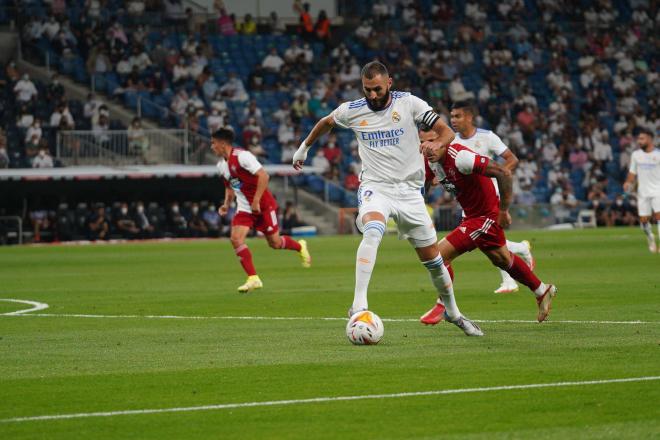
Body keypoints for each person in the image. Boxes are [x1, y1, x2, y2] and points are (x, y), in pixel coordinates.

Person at [293, 61, 482, 336]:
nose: (372, 95)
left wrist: (437, 145)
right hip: (376, 187)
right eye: (367, 89)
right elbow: (326, 123)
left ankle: (453, 312)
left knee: (434, 261)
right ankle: (358, 304)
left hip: (409, 193)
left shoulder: (409, 104)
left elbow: (447, 133)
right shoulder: (352, 110)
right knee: (372, 231)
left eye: (377, 89)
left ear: (389, 83)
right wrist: (303, 149)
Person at [418, 126, 557, 325]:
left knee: (437, 256)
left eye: (431, 142)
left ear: (443, 140)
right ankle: (542, 290)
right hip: (472, 215)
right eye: (422, 143)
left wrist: (503, 210)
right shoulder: (429, 158)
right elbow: (424, 184)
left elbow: (503, 173)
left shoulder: (461, 157)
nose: (426, 148)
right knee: (501, 258)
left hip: (485, 215)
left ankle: (445, 306)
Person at [450, 100, 535, 294]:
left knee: (487, 238)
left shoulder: (487, 137)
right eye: (452, 116)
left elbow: (512, 159)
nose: (453, 120)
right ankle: (521, 249)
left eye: (458, 116)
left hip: (491, 195)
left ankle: (509, 281)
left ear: (470, 117)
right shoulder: (452, 141)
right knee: (485, 239)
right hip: (469, 198)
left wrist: (498, 173)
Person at [212, 128, 311, 292]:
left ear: (222, 144)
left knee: (275, 243)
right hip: (244, 208)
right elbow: (229, 187)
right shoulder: (221, 166)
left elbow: (264, 176)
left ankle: (300, 247)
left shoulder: (242, 156)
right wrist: (226, 204)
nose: (212, 147)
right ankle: (253, 278)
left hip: (264, 206)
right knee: (236, 238)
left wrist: (256, 201)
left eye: (213, 143)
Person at [623, 128, 660, 253]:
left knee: (659, 216)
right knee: (644, 221)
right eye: (639, 139)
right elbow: (632, 172)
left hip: (658, 191)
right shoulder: (636, 155)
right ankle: (650, 237)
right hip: (642, 193)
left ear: (650, 139)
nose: (639, 141)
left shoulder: (658, 154)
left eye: (642, 138)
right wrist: (628, 182)